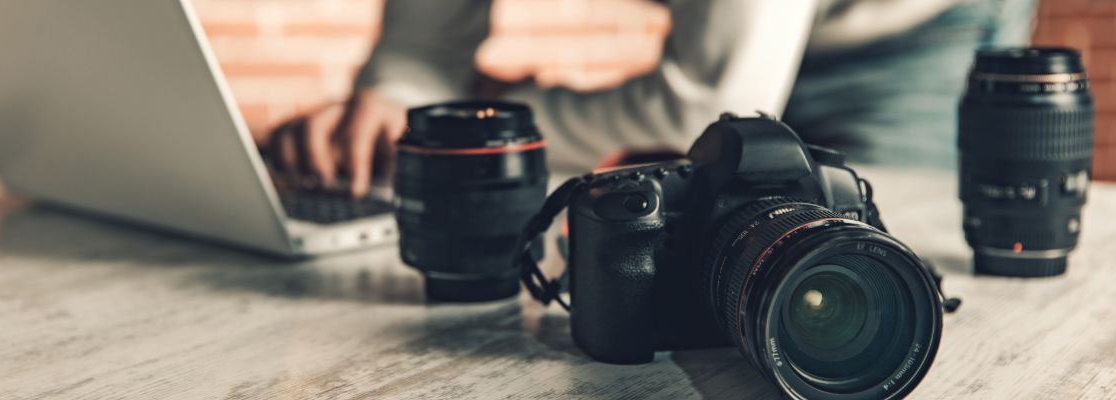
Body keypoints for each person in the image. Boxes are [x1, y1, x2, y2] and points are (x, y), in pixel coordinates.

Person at [268, 0, 1037, 197]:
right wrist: (399, 104)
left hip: (900, 36)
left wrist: (482, 127)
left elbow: (701, 105)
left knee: (862, 270)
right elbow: (421, 52)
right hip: (729, 48)